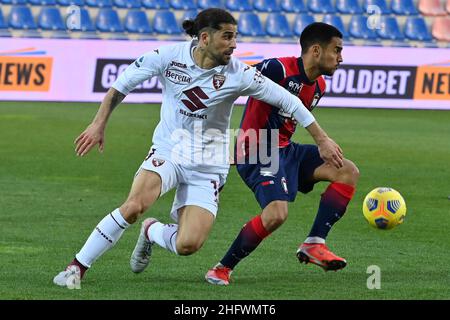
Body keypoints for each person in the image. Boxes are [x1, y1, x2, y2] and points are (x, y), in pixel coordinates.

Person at [53, 10, 344, 288]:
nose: (234, 44)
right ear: (205, 38)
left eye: (235, 37)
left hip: (209, 164)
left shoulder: (240, 74)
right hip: (170, 150)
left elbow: (290, 102)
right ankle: (76, 267)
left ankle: (152, 231)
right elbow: (120, 86)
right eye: (227, 36)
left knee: (187, 245)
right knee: (134, 206)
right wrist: (98, 124)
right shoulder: (167, 57)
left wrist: (322, 138)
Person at [205, 22, 359, 286]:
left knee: (347, 171)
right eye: (337, 50)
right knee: (277, 213)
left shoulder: (319, 85)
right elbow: (235, 82)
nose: (341, 58)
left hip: (286, 150)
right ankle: (222, 268)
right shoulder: (277, 68)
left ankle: (314, 243)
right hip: (257, 149)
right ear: (315, 50)